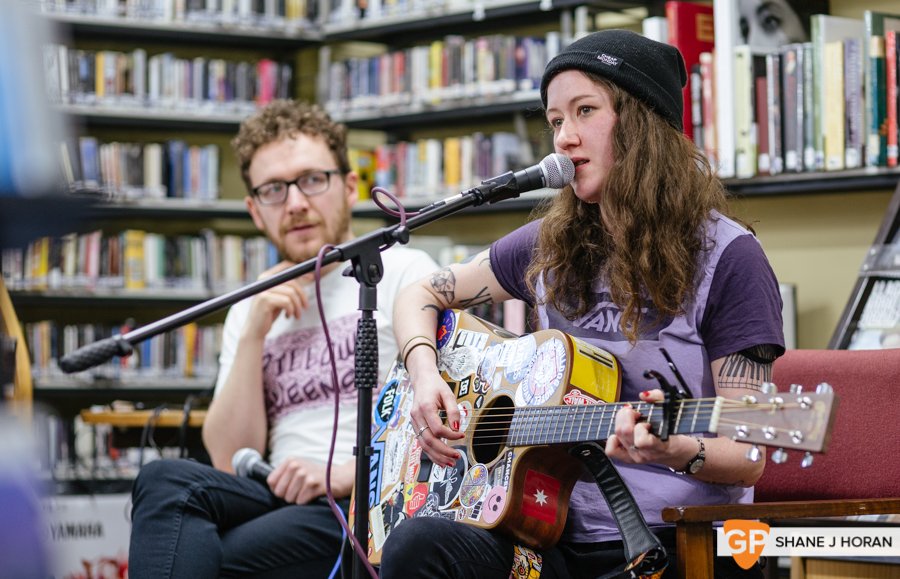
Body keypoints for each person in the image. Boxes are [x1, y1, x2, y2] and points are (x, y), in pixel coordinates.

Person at [380, 30, 784, 579]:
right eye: (554, 121)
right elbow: (418, 293)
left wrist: (673, 448)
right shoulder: (549, 244)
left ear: (643, 124)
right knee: (417, 545)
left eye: (584, 111)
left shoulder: (729, 257)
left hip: (678, 542)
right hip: (547, 537)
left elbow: (753, 453)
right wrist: (425, 373)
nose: (564, 138)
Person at [127, 99, 438, 579]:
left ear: (350, 185)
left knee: (199, 558)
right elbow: (230, 457)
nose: (295, 203)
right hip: (276, 491)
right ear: (254, 209)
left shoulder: (405, 274)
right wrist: (254, 330)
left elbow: (456, 416)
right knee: (165, 481)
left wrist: (341, 477)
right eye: (274, 190)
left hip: (366, 498)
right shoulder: (252, 303)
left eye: (312, 180)